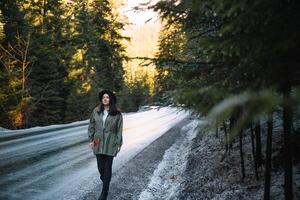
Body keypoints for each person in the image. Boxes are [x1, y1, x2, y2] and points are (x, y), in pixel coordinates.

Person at [87, 89, 123, 200]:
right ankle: (106, 181)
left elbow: (119, 130)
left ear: (110, 99)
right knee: (100, 167)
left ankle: (104, 192)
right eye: (103, 98)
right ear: (101, 100)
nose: (105, 99)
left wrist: (118, 143)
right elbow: (91, 125)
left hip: (111, 142)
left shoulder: (117, 113)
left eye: (107, 97)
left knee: (108, 168)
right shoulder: (96, 111)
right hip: (98, 142)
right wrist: (91, 139)